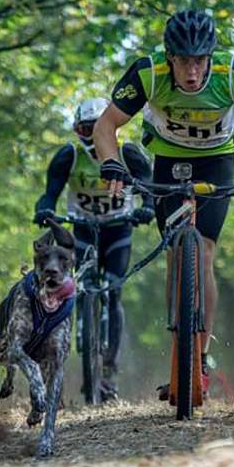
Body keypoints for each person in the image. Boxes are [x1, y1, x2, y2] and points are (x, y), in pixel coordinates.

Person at [92, 10, 234, 398]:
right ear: (170, 57)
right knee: (176, 254)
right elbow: (106, 126)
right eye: (183, 60)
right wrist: (112, 164)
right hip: (167, 161)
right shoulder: (148, 73)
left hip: (217, 160)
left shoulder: (233, 73)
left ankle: (198, 359)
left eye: (200, 60)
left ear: (210, 57)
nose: (192, 70)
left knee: (204, 252)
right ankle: (179, 350)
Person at [34, 97, 155, 401]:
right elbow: (49, 193)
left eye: (97, 128)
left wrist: (147, 208)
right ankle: (71, 345)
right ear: (76, 130)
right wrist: (44, 210)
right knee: (79, 288)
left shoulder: (127, 153)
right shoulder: (69, 155)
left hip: (119, 227)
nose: (91, 135)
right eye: (85, 129)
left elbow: (149, 188)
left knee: (113, 293)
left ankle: (109, 375)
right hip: (83, 228)